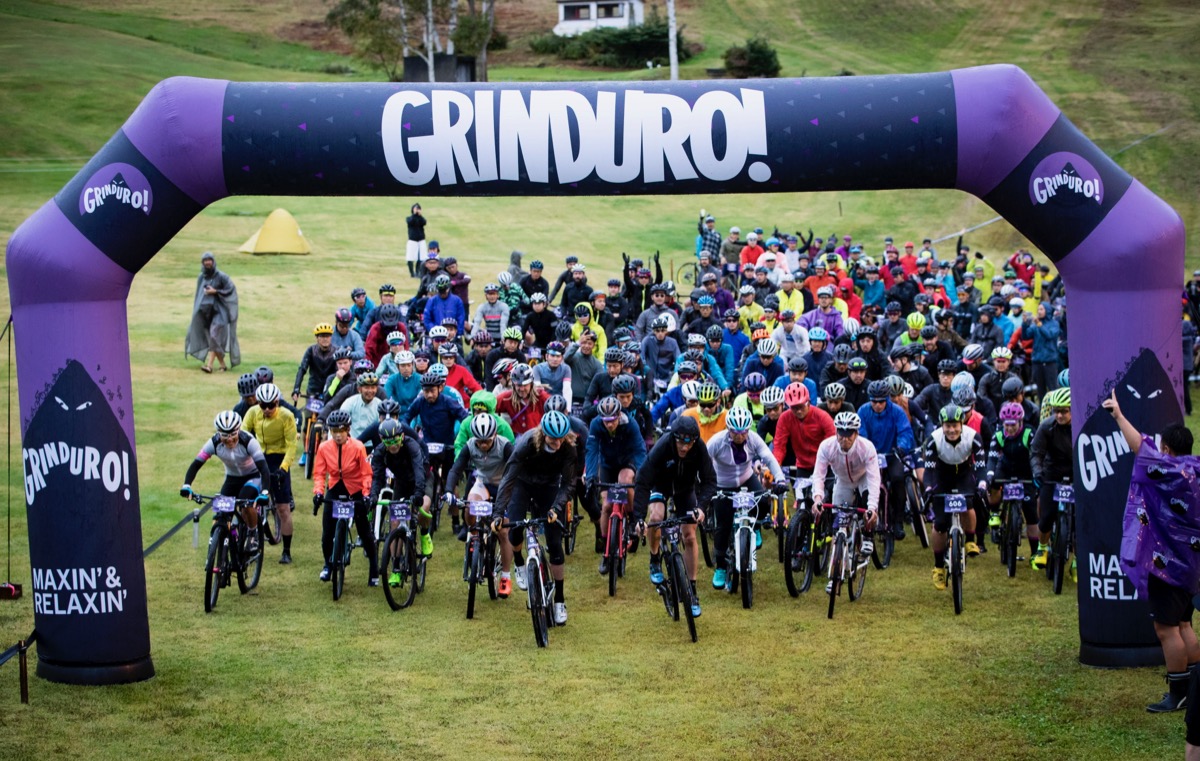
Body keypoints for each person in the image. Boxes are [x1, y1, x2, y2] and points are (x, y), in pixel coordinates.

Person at [1104, 390, 1200, 714]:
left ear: (1167, 450)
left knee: (1167, 629)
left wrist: (1118, 414)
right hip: (1191, 568)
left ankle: (1179, 692)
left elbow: (1138, 446)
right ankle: (1196, 686)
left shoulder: (1167, 470)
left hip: (1167, 566)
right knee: (1185, 625)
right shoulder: (1196, 471)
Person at [495, 411, 578, 625]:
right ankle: (520, 562)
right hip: (523, 483)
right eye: (553, 438)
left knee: (554, 541)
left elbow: (569, 483)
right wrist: (498, 512)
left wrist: (556, 508)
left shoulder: (568, 448)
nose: (557, 442)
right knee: (515, 527)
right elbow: (508, 477)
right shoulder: (527, 443)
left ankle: (559, 599)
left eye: (561, 438)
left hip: (549, 486)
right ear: (543, 434)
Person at [633, 416, 716, 618]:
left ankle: (692, 591)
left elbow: (710, 480)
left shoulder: (700, 448)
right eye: (680, 441)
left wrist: (702, 507)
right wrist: (637, 518)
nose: (684, 447)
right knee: (656, 516)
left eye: (689, 443)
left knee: (689, 535)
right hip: (660, 486)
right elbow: (642, 481)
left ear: (695, 440)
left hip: (685, 489)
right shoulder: (663, 446)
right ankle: (654, 559)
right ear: (674, 437)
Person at [707, 407, 786, 589]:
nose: (740, 436)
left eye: (743, 432)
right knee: (723, 527)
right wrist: (706, 486)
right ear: (728, 429)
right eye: (735, 432)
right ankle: (720, 567)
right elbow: (704, 462)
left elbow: (769, 457)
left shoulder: (753, 439)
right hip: (723, 484)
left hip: (746, 479)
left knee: (764, 501)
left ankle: (756, 527)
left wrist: (780, 479)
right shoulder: (717, 442)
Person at [180, 411, 270, 554]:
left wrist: (265, 492)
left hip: (252, 477)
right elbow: (196, 464)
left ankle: (253, 534)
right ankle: (221, 540)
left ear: (239, 430)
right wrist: (186, 485)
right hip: (232, 479)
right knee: (220, 513)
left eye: (233, 434)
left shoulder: (249, 441)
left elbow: (264, 469)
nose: (229, 439)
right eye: (224, 435)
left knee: (246, 503)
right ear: (218, 433)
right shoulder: (214, 442)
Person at [810, 411, 881, 588]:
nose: (845, 439)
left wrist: (872, 506)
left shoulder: (867, 447)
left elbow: (874, 479)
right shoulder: (826, 447)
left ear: (856, 434)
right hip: (843, 481)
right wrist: (817, 497)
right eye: (841, 434)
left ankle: (868, 537)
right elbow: (818, 475)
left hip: (863, 479)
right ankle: (835, 574)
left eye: (849, 435)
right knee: (838, 526)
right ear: (836, 433)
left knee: (867, 509)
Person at [922, 404, 987, 590]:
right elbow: (928, 471)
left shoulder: (973, 437)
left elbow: (981, 466)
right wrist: (927, 488)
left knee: (968, 504)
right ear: (941, 425)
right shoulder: (934, 440)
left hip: (964, 475)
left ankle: (969, 540)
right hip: (941, 476)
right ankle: (938, 566)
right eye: (947, 426)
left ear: (962, 423)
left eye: (955, 425)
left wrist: (982, 485)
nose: (951, 430)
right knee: (940, 524)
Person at [311, 410, 376, 585]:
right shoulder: (324, 447)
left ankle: (374, 567)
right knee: (327, 534)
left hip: (354, 488)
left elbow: (366, 474)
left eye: (341, 431)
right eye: (334, 431)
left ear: (348, 430)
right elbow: (319, 473)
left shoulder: (358, 446)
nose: (338, 435)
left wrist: (366, 494)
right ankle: (328, 565)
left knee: (364, 531)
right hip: (334, 486)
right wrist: (318, 492)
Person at [403, 371, 470, 538]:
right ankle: (427, 508)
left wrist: (461, 435)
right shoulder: (420, 402)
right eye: (426, 391)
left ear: (440, 388)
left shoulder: (448, 402)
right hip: (427, 447)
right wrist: (411, 434)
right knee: (426, 479)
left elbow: (463, 417)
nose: (429, 394)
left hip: (447, 447)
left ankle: (455, 520)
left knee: (451, 484)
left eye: (432, 390)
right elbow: (407, 416)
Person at [586, 396, 648, 575]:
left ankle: (632, 517)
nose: (609, 424)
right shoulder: (596, 424)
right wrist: (590, 476)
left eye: (612, 420)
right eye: (605, 421)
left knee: (624, 481)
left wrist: (643, 475)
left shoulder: (630, 424)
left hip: (627, 462)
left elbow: (639, 450)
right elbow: (591, 450)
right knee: (606, 506)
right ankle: (607, 552)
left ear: (619, 415)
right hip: (607, 465)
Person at [369, 418, 432, 586]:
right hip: (402, 483)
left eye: (396, 440)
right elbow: (377, 476)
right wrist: (373, 495)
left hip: (422, 480)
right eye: (388, 442)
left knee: (424, 507)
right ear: (382, 440)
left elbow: (419, 471)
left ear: (402, 436)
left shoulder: (412, 446)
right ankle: (396, 567)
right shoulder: (380, 451)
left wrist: (418, 494)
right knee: (395, 522)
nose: (393, 445)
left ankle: (425, 534)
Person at [242, 384, 298, 564]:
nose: (266, 410)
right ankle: (250, 534)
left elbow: (291, 446)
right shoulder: (252, 412)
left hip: (278, 459)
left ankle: (287, 551)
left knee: (283, 508)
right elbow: (243, 435)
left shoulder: (286, 416)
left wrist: (284, 468)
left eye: (270, 406)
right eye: (262, 405)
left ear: (277, 402)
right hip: (259, 457)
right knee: (246, 499)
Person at [1029, 387, 1075, 572]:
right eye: (1056, 411)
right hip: (1052, 471)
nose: (1060, 415)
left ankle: (1078, 561)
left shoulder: (1081, 425)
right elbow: (1036, 453)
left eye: (1064, 411)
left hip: (1075, 472)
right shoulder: (1046, 426)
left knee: (1080, 523)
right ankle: (1042, 547)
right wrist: (1037, 472)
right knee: (1046, 516)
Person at [185, 252, 240, 373]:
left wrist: (215, 291)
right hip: (206, 313)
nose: (207, 262)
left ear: (213, 261)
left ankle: (209, 366)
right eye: (205, 260)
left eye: (209, 260)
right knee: (212, 339)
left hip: (220, 313)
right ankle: (222, 364)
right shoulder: (201, 277)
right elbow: (198, 296)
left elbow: (231, 290)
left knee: (214, 335)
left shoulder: (221, 276)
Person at [405, 203, 427, 278]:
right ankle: (412, 273)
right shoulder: (409, 218)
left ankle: (418, 272)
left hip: (421, 240)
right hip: (412, 240)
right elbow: (410, 222)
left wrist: (420, 215)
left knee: (421, 257)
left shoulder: (421, 219)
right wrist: (414, 214)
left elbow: (424, 222)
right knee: (410, 257)